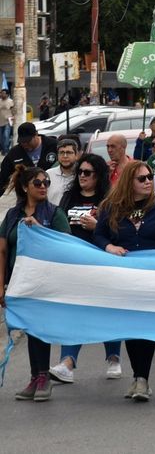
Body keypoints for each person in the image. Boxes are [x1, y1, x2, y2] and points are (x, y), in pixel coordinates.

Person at [93, 161, 155, 401]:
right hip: (123, 280)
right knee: (131, 328)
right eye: (141, 178)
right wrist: (109, 246)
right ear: (128, 182)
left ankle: (142, 379)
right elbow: (99, 235)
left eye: (149, 177)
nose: (148, 182)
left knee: (146, 327)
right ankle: (137, 377)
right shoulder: (111, 208)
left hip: (152, 279)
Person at [47, 154, 122, 384]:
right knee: (73, 312)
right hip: (74, 266)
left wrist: (97, 226)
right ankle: (67, 363)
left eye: (87, 172)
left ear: (98, 176)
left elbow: (119, 233)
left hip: (102, 265)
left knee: (107, 312)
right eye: (80, 172)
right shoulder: (68, 198)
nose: (82, 176)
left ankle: (114, 358)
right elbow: (57, 227)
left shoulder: (110, 200)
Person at [1, 166, 71, 401]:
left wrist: (40, 229)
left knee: (40, 328)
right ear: (25, 187)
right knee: (30, 329)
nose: (43, 187)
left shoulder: (54, 213)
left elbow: (66, 246)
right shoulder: (13, 215)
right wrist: (1, 285)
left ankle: (43, 377)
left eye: (46, 182)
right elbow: (2, 250)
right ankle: (35, 377)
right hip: (20, 282)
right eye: (38, 183)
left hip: (46, 281)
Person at [0, 122, 59, 194]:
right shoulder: (15, 153)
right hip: (26, 196)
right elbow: (3, 178)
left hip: (51, 191)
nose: (25, 144)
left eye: (28, 141)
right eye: (22, 142)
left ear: (36, 134)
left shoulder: (53, 145)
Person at [47, 139, 80, 206]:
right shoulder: (48, 174)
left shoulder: (82, 175)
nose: (65, 156)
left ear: (76, 155)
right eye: (61, 152)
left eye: (69, 152)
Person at [0, 88, 15, 155]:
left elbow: (14, 111)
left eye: (3, 93)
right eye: (1, 93)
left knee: (6, 136)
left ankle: (6, 150)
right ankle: (3, 149)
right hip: (0, 122)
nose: (1, 94)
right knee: (1, 138)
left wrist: (14, 117)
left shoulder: (11, 101)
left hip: (7, 122)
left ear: (7, 94)